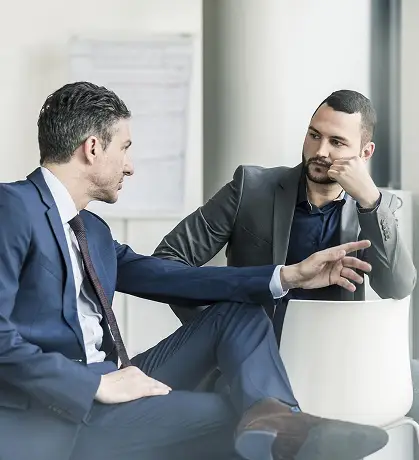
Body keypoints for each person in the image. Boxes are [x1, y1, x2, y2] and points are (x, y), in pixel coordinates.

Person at [0, 82, 389, 460]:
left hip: (115, 381)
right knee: (239, 421)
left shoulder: (93, 231)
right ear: (93, 148)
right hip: (60, 410)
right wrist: (94, 384)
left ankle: (279, 420)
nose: (130, 166)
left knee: (241, 323)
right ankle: (283, 428)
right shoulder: (13, 207)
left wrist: (286, 277)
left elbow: (170, 276)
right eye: (125, 148)